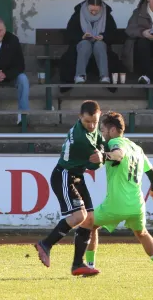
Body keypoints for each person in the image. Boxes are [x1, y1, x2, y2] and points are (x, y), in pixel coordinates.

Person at [78, 111, 153, 277]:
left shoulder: (114, 142)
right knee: (142, 233)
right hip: (136, 204)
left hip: (117, 203)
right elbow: (151, 172)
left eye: (104, 129)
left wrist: (104, 155)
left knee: (88, 225)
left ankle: (90, 267)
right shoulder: (136, 148)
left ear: (112, 130)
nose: (102, 133)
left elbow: (118, 154)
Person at [34, 100, 104, 277]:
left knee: (90, 219)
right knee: (79, 216)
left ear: (99, 115)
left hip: (76, 176)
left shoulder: (91, 129)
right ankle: (46, 244)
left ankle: (77, 265)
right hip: (64, 175)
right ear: (80, 117)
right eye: (88, 121)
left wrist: (102, 152)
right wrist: (104, 156)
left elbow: (102, 144)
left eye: (95, 121)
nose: (92, 125)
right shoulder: (81, 138)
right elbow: (95, 165)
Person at [60, 0, 122, 84]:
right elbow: (70, 32)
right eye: (91, 10)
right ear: (87, 6)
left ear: (101, 8)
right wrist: (82, 36)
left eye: (97, 10)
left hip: (100, 44)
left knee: (100, 45)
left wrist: (103, 36)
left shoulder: (107, 15)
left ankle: (104, 76)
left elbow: (113, 33)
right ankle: (80, 75)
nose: (94, 12)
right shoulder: (78, 14)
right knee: (85, 44)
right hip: (81, 45)